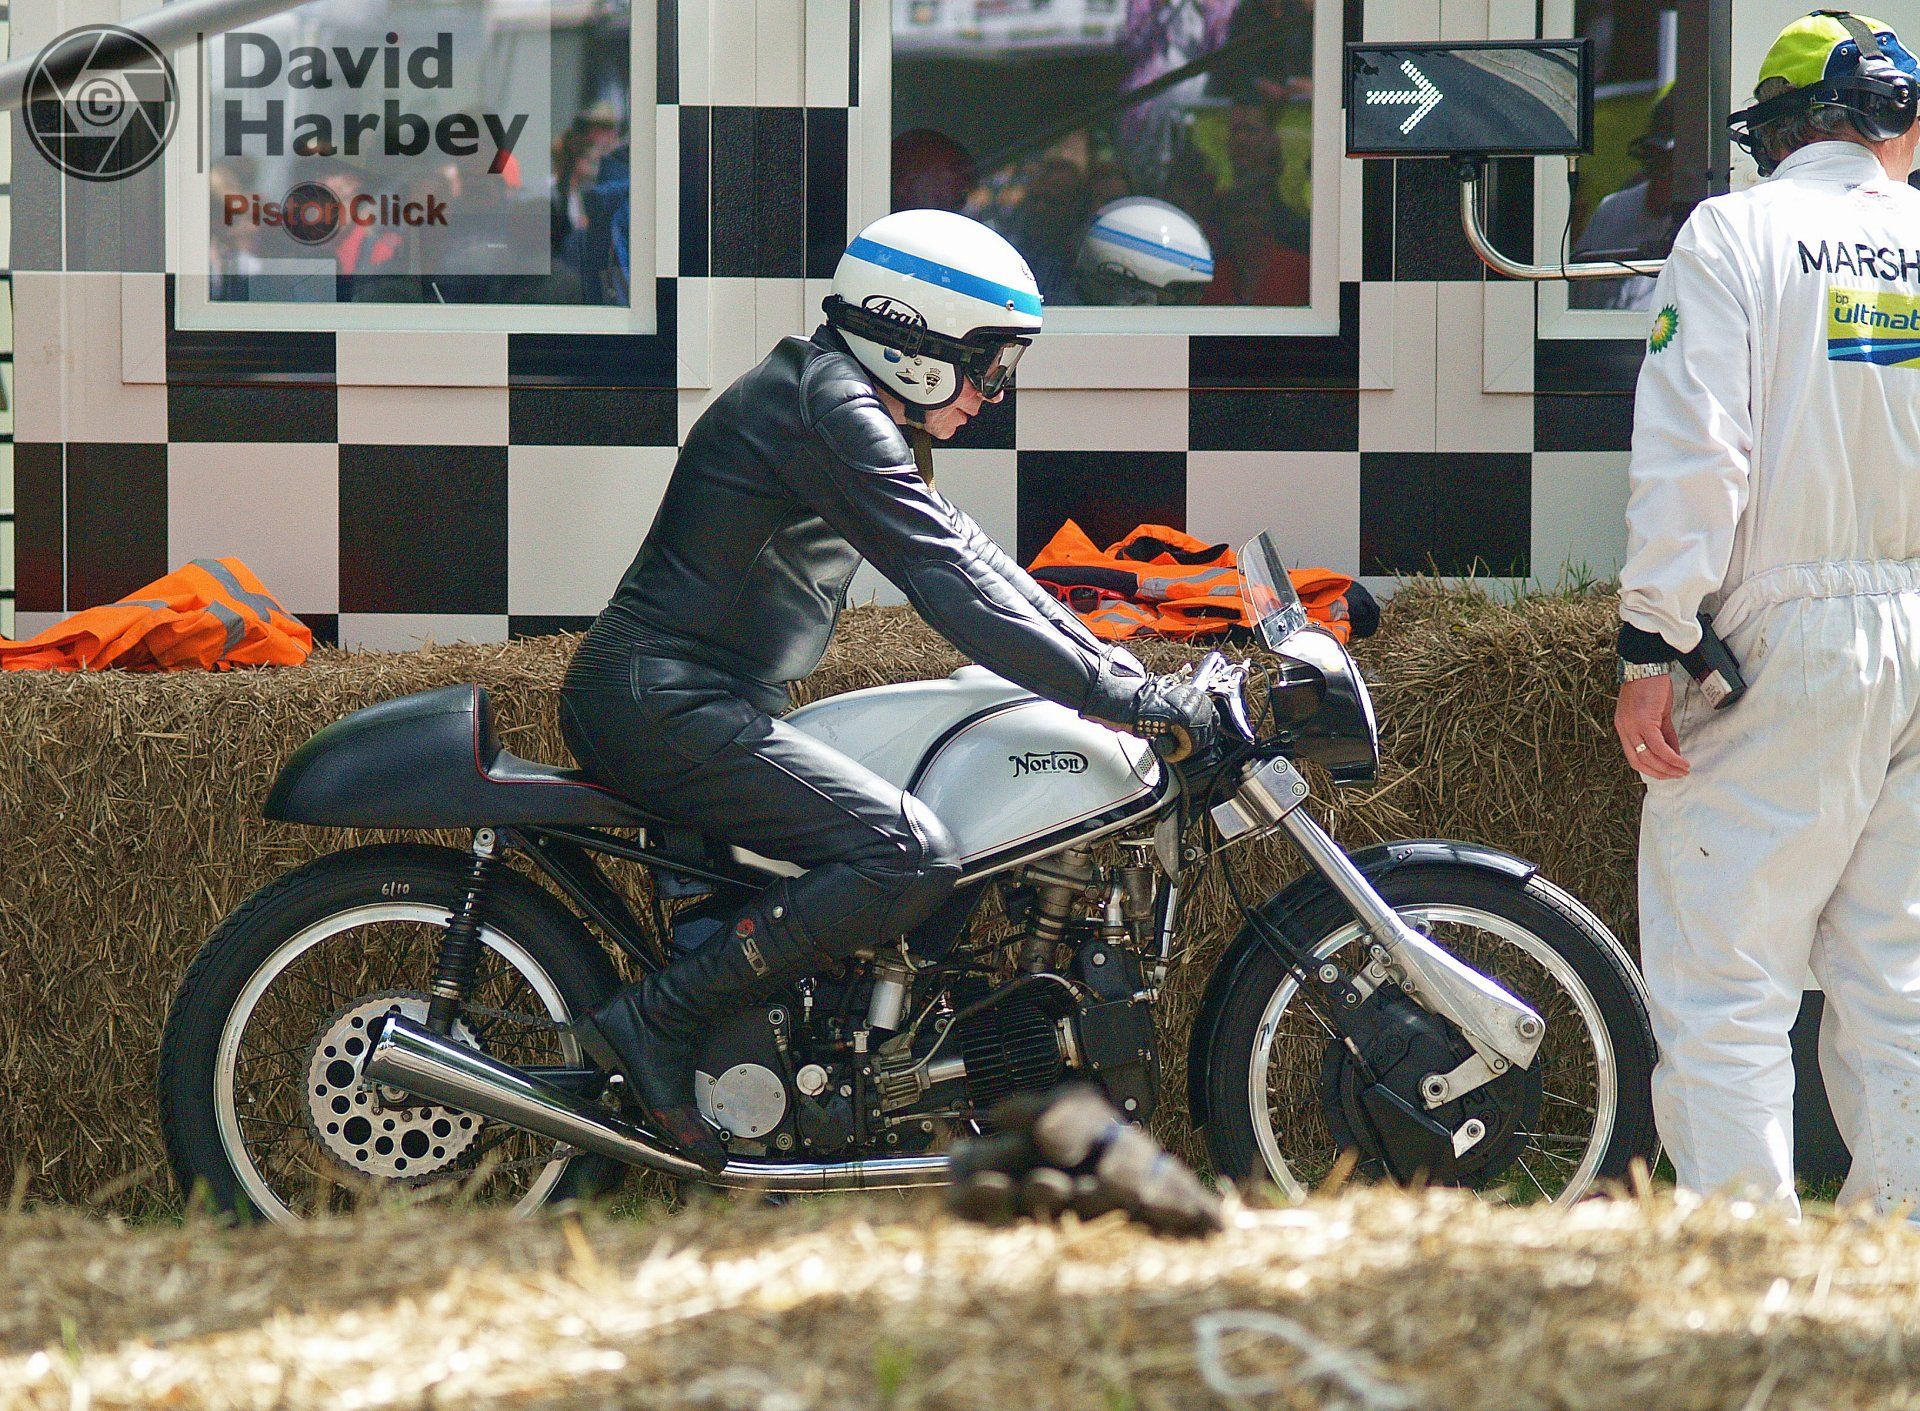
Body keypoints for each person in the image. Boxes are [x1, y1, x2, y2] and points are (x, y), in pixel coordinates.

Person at [559, 210, 1216, 1171]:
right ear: (910, 339)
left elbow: (974, 556)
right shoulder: (826, 407)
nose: (996, 391)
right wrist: (1120, 697)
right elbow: (946, 585)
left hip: (708, 697)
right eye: (987, 363)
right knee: (909, 854)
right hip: (663, 700)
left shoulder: (835, 400)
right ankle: (656, 1019)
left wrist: (1119, 675)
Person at [1612, 11, 1920, 1214]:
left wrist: (1652, 634)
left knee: (1726, 979)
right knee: (1898, 978)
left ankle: (1742, 1283)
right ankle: (1894, 1284)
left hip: (1778, 634)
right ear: (1895, 120)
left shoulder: (1735, 233)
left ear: (1778, 130)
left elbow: (1697, 457)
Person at [1571, 92, 1677, 311]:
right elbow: (1575, 297)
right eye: (1656, 157)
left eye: (1673, 159)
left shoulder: (1708, 220)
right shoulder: (1612, 209)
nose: (1664, 171)